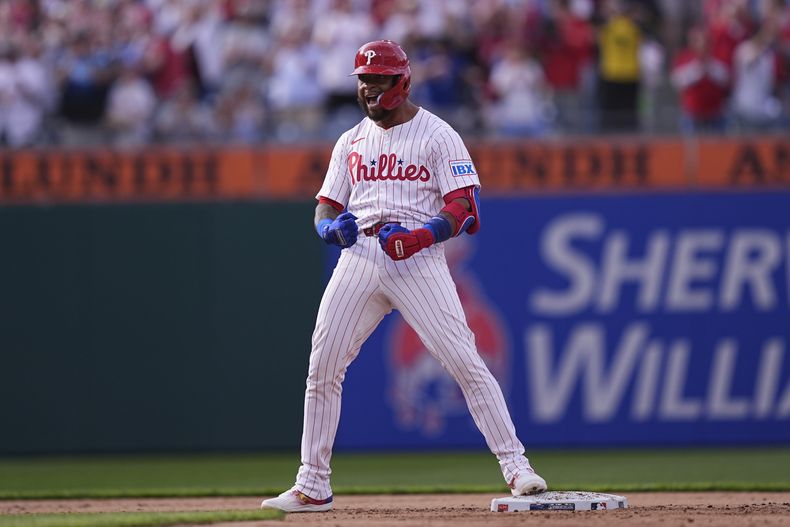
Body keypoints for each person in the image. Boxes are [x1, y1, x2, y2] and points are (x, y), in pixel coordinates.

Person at [260, 39, 547, 514]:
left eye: (378, 80)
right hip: (361, 257)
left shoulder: (437, 134)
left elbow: (465, 209)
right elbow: (324, 208)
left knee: (464, 362)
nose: (370, 89)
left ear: (402, 81)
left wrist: (421, 236)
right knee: (322, 366)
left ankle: (517, 467)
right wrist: (332, 229)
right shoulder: (350, 140)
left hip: (418, 261)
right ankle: (312, 484)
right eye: (364, 81)